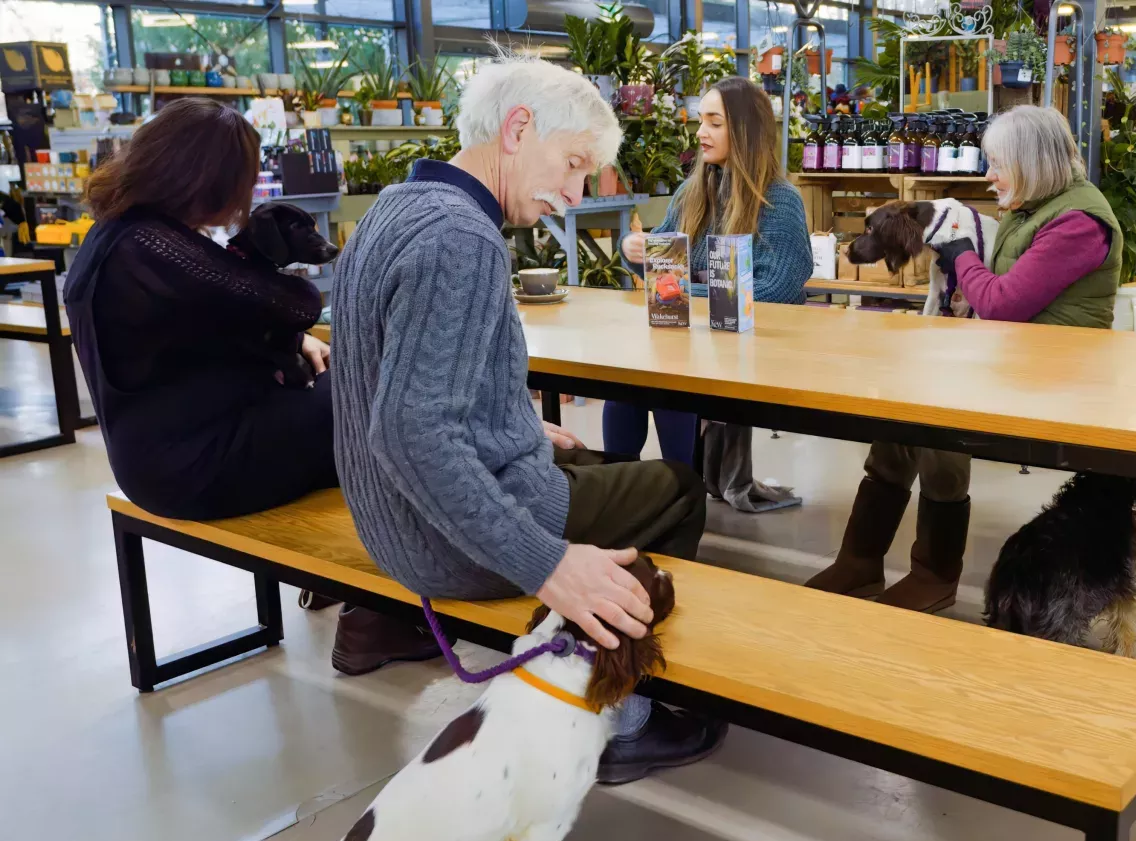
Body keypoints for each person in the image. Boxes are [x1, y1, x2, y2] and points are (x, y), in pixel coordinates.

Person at [329, 54, 724, 783]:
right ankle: (620, 712)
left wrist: (505, 416)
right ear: (518, 129)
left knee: (597, 465)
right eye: (573, 165)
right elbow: (409, 432)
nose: (574, 196)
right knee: (678, 488)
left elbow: (389, 383)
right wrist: (549, 566)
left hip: (385, 523)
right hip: (439, 543)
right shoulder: (463, 239)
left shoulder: (396, 207)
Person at [807, 105, 1124, 613]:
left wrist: (961, 255)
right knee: (898, 413)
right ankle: (860, 559)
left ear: (1031, 162)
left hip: (1055, 373)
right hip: (1015, 359)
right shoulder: (1033, 207)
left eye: (997, 163)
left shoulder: (1078, 222)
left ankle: (935, 573)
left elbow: (1001, 304)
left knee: (936, 415)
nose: (988, 174)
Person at [63, 98, 336, 521]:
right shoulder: (153, 247)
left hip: (158, 458)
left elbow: (211, 312)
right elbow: (297, 302)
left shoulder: (117, 231)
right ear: (211, 183)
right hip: (197, 464)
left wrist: (297, 340)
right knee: (368, 399)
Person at [614, 76, 814, 484]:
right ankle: (616, 488)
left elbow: (777, 292)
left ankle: (682, 493)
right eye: (700, 121)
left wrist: (682, 290)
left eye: (714, 122)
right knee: (625, 382)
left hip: (758, 347)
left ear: (744, 130)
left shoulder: (778, 201)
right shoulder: (692, 191)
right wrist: (635, 251)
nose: (701, 132)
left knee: (669, 387)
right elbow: (664, 266)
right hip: (702, 336)